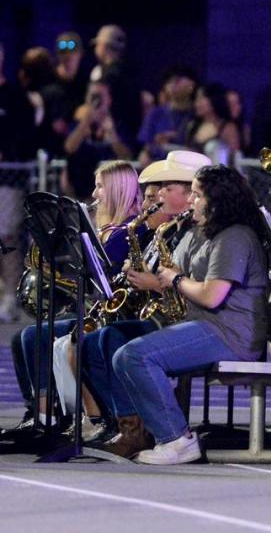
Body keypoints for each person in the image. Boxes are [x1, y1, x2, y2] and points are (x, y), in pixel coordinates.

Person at [113, 164, 268, 464]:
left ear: (217, 199)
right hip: (205, 325)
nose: (190, 201)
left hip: (229, 334)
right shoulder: (204, 232)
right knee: (124, 355)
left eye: (196, 195)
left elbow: (212, 295)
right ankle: (165, 436)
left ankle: (177, 439)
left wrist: (176, 280)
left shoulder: (235, 236)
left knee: (136, 356)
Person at [78, 151, 209, 457]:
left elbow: (204, 289)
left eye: (166, 188)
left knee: (121, 344)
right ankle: (124, 424)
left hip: (194, 321)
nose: (157, 195)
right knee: (96, 341)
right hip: (170, 315)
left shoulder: (204, 231)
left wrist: (155, 284)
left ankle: (147, 430)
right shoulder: (174, 229)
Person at [12, 161, 141, 433]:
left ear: (118, 190)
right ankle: (41, 413)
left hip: (114, 316)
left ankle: (83, 419)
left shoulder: (126, 232)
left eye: (100, 187)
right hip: (96, 311)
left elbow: (101, 279)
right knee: (24, 336)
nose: (94, 194)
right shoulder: (106, 230)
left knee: (37, 336)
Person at [0, 41, 37, 321]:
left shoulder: (15, 97)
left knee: (6, 237)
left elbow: (26, 138)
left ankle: (10, 298)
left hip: (7, 180)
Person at [63, 80, 134, 199]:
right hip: (81, 195)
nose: (97, 101)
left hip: (112, 195)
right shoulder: (78, 124)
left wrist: (112, 134)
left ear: (109, 99)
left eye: (100, 96)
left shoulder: (118, 125)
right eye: (93, 96)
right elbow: (69, 148)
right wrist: (86, 122)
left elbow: (127, 155)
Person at [137, 67, 198, 163]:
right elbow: (147, 144)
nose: (172, 85)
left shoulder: (198, 113)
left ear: (192, 84)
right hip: (159, 163)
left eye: (177, 81)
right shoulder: (156, 113)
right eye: (169, 82)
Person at [185, 82, 242, 163]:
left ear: (214, 100)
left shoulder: (228, 127)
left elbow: (235, 159)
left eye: (201, 98)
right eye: (196, 99)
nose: (197, 103)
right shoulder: (192, 125)